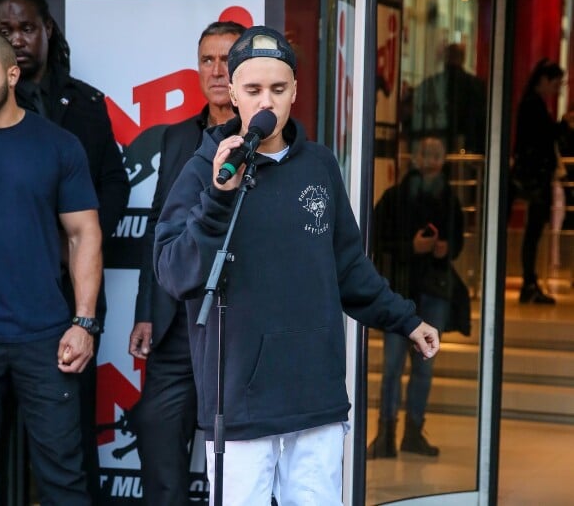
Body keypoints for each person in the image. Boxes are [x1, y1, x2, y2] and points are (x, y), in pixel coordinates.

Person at [153, 25, 440, 505]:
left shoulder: (320, 165)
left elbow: (347, 265)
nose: (267, 101)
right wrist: (220, 198)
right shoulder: (206, 168)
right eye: (253, 90)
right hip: (239, 401)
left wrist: (405, 319)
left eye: (278, 89)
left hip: (315, 395)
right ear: (235, 95)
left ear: (295, 92)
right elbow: (175, 272)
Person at [0, 0, 130, 503]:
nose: (19, 38)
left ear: (46, 29)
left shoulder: (73, 120)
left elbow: (89, 224)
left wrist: (84, 319)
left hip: (50, 327)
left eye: (26, 27)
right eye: (6, 31)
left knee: (64, 473)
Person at [128, 20, 246, 505]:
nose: (217, 71)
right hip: (176, 325)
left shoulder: (267, 137)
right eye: (207, 60)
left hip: (237, 326)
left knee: (243, 470)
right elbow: (161, 228)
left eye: (227, 59)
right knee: (159, 451)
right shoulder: (177, 137)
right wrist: (145, 309)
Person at [367, 137, 470, 459]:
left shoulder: (449, 199)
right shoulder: (396, 197)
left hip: (434, 291)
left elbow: (457, 240)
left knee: (424, 367)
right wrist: (410, 247)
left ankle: (413, 431)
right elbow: (375, 241)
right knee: (392, 367)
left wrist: (444, 249)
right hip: (401, 293)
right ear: (414, 158)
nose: (431, 162)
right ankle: (386, 433)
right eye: (425, 155)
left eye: (437, 156)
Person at [508, 59, 574, 304]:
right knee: (533, 233)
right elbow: (542, 139)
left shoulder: (531, 105)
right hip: (535, 179)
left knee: (533, 233)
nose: (557, 89)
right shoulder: (533, 106)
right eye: (556, 84)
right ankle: (529, 282)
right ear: (544, 81)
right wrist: (563, 126)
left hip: (533, 177)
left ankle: (531, 281)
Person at [410, 43, 487, 154]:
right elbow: (481, 122)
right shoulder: (476, 86)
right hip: (469, 149)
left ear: (446, 58)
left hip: (435, 149)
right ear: (463, 59)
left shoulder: (430, 85)